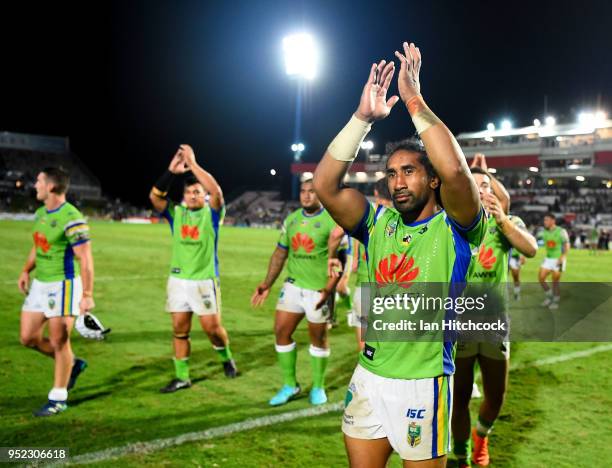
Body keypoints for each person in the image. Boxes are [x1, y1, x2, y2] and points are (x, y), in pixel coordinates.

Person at [313, 42, 486, 467]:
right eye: (391, 173)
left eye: (409, 171)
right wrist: (361, 120)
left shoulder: (457, 227)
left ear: (430, 180)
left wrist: (413, 99)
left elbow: (456, 173)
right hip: (369, 377)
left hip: (422, 384)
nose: (398, 181)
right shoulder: (377, 224)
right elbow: (326, 186)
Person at [452, 167, 537, 467]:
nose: (481, 190)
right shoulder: (449, 221)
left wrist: (502, 221)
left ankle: (482, 436)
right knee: (459, 398)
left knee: (496, 396)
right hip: (458, 326)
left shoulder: (506, 222)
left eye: (485, 185)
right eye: (473, 185)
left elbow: (531, 249)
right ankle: (460, 455)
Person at [149, 145, 237, 393]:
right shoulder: (176, 213)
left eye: (198, 192)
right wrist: (171, 171)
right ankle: (182, 377)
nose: (193, 195)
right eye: (189, 192)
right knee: (179, 330)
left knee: (212, 330)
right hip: (178, 281)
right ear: (184, 196)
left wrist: (193, 164)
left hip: (204, 280)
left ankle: (226, 358)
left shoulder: (212, 215)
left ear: (204, 196)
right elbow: (155, 197)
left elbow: (216, 191)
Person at [251, 179, 342, 406]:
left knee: (318, 339)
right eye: (303, 191)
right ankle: (290, 385)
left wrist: (329, 290)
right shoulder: (291, 220)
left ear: (320, 195)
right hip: (293, 285)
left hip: (318, 289)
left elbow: (339, 261)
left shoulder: (333, 222)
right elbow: (280, 254)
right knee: (281, 331)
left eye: (312, 191)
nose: (306, 195)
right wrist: (267, 283)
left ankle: (318, 386)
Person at [18, 167, 93, 416]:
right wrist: (26, 270)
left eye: (39, 181)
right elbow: (38, 244)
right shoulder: (41, 213)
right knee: (28, 337)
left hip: (64, 285)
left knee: (60, 341)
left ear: (51, 187)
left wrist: (88, 294)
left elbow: (85, 258)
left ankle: (58, 397)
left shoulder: (72, 218)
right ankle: (73, 364)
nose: (35, 185)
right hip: (41, 283)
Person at [347, 177, 392, 351]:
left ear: (375, 193)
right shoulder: (404, 217)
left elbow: (338, 234)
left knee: (364, 339)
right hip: (392, 287)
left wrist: (355, 257)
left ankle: (366, 367)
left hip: (365, 283)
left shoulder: (369, 214)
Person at [538, 213, 570, 309]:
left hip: (558, 259)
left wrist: (562, 257)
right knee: (541, 278)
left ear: (553, 221)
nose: (545, 222)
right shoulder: (544, 232)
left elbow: (566, 245)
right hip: (548, 259)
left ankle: (555, 301)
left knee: (555, 282)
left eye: (547, 220)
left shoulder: (561, 231)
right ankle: (549, 295)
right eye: (544, 220)